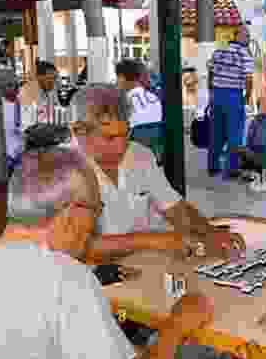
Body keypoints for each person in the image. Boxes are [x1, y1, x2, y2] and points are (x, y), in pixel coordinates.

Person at [0, 143, 214, 359]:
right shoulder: (67, 278)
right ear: (72, 213)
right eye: (97, 209)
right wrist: (175, 327)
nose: (96, 223)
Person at [69, 83, 244, 262]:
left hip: (146, 262)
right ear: (78, 131)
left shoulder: (139, 154)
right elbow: (78, 246)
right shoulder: (63, 170)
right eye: (110, 138)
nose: (121, 146)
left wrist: (209, 232)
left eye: (126, 134)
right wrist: (153, 241)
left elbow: (173, 206)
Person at [208, 26, 254, 178]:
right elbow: (248, 78)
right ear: (237, 36)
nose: (248, 38)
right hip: (233, 95)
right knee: (235, 134)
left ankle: (213, 166)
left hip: (216, 93)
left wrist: (212, 91)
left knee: (216, 132)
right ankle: (231, 168)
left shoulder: (219, 51)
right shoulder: (244, 54)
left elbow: (211, 71)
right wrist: (246, 98)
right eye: (246, 35)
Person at [116, 59, 162, 128]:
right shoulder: (155, 98)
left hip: (134, 137)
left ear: (122, 78)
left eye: (118, 77)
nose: (117, 81)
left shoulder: (125, 101)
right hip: (155, 137)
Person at [19, 60, 60, 129]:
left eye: (55, 78)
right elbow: (29, 122)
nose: (53, 82)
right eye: (49, 79)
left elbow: (55, 109)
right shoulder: (27, 92)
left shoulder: (50, 89)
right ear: (39, 77)